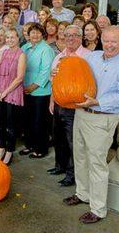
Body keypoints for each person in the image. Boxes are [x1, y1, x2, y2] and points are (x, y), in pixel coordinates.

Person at [64, 26, 119, 224]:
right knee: (80, 156)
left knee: (96, 163)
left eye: (114, 41)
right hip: (81, 113)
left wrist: (97, 102)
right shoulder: (93, 57)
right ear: (101, 40)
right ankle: (82, 194)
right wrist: (61, 70)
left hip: (102, 117)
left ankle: (98, 208)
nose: (109, 45)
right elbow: (75, 74)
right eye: (106, 40)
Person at [48, 25, 90, 187]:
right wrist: (52, 100)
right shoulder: (59, 56)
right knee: (58, 137)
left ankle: (72, 174)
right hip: (58, 103)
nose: (70, 38)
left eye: (74, 35)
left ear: (81, 38)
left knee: (73, 141)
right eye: (67, 35)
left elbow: (91, 82)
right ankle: (60, 166)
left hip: (75, 106)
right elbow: (54, 81)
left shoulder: (88, 56)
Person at [20, 24, 54, 158]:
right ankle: (30, 145)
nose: (35, 35)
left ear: (42, 34)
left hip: (40, 92)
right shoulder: (25, 48)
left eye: (38, 33)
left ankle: (41, 148)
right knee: (27, 120)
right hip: (25, 89)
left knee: (39, 121)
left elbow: (46, 71)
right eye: (32, 33)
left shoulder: (46, 49)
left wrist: (33, 86)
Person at [0, 27, 26, 165]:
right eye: (8, 37)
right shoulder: (3, 52)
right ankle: (1, 147)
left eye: (12, 37)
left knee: (11, 125)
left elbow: (20, 78)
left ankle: (9, 151)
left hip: (12, 92)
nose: (10, 40)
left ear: (18, 39)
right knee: (1, 123)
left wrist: (5, 92)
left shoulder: (21, 54)